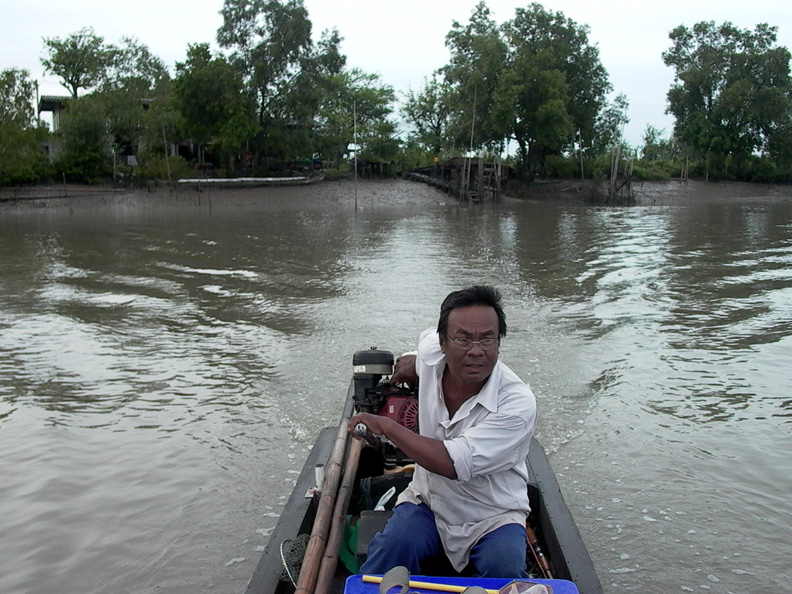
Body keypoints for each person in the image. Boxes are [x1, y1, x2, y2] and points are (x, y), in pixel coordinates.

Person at [348, 285, 537, 578]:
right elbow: (423, 345)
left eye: (487, 339)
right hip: (430, 503)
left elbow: (451, 463)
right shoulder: (431, 354)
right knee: (389, 554)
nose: (476, 351)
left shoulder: (517, 405)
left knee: (505, 568)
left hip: (493, 516)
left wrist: (386, 425)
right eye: (462, 339)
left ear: (498, 343)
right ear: (443, 343)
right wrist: (412, 360)